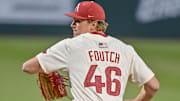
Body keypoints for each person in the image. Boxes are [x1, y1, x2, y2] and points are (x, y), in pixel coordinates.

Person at [22, 1, 159, 101]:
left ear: (93, 24)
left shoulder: (71, 45)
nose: (72, 25)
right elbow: (153, 86)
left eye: (77, 21)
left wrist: (47, 69)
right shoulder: (125, 49)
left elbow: (28, 67)